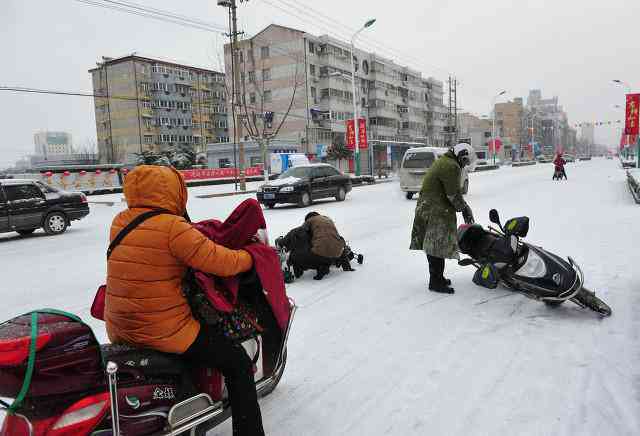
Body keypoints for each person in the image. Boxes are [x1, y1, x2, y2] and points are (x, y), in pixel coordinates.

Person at [105, 165, 265, 436]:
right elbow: (219, 261)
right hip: (163, 330)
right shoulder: (172, 227)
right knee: (237, 362)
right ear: (174, 191)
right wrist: (253, 257)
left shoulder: (121, 221)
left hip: (120, 327)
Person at [410, 143, 475, 294]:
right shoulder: (450, 166)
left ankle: (438, 277)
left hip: (429, 208)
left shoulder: (444, 161)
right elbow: (453, 194)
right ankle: (435, 282)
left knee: (435, 246)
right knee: (436, 246)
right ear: (460, 155)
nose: (465, 165)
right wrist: (465, 209)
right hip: (435, 211)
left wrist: (463, 207)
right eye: (465, 161)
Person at [283, 212, 354, 280]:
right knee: (328, 247)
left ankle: (315, 267)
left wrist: (285, 243)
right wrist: (347, 266)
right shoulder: (328, 220)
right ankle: (324, 266)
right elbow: (339, 241)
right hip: (336, 255)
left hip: (320, 254)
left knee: (294, 255)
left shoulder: (309, 221)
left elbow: (298, 234)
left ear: (308, 218)